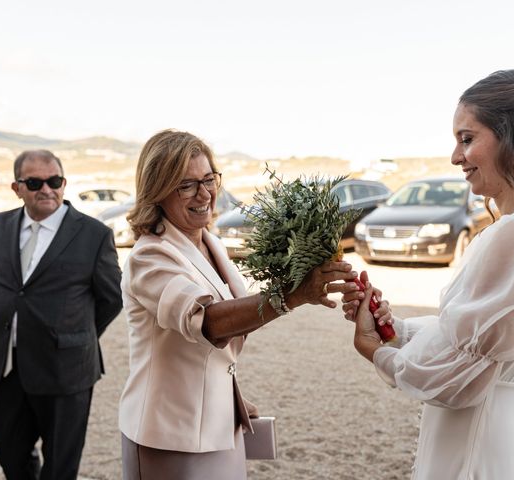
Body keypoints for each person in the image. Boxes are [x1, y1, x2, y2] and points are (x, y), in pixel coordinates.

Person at [342, 70, 514, 479]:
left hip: (478, 447)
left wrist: (377, 351)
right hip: (490, 437)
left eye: (467, 138)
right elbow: (472, 343)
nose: (456, 157)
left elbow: (459, 380)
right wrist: (397, 330)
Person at [118, 129, 355, 480]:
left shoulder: (209, 243)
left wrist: (231, 401)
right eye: (186, 185)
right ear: (157, 191)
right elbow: (208, 323)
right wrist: (291, 295)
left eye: (209, 179)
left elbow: (215, 350)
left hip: (221, 424)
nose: (204, 193)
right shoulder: (149, 256)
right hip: (170, 435)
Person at [0, 149, 123, 479]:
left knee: (60, 465)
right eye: (35, 182)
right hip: (5, 367)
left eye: (54, 181)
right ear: (17, 188)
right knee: (9, 454)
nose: (47, 189)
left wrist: (76, 333)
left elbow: (111, 299)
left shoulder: (94, 235)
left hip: (66, 370)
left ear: (64, 183)